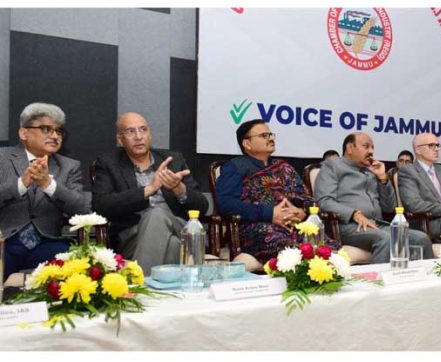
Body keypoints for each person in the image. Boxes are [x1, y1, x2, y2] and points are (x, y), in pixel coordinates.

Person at [92, 112, 208, 274]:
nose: (139, 137)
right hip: (134, 237)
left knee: (157, 215)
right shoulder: (109, 163)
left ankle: (139, 283)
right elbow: (101, 206)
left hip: (179, 228)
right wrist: (148, 190)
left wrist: (179, 189)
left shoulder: (173, 160)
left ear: (150, 134)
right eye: (130, 132)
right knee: (174, 246)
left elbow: (202, 206)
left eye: (143, 130)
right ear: (120, 139)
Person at [215, 119, 338, 265]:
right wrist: (270, 213)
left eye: (271, 135)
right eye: (264, 136)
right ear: (247, 143)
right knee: (294, 253)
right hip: (258, 227)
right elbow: (226, 204)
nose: (271, 138)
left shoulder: (284, 167)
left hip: (296, 225)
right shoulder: (235, 167)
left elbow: (307, 198)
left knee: (331, 251)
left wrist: (302, 211)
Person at [0, 102, 90, 281]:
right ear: (24, 133)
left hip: (47, 242)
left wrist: (49, 185)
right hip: (5, 240)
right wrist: (21, 184)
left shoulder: (69, 166)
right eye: (46, 129)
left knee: (68, 266)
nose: (55, 136)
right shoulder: (3, 158)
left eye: (58, 131)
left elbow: (83, 208)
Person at [314, 132, 434, 263]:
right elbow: (324, 201)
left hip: (376, 225)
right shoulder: (332, 166)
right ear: (350, 148)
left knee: (421, 238)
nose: (371, 151)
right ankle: (379, 281)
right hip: (349, 226)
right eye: (366, 146)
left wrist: (383, 178)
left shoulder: (371, 170)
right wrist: (354, 214)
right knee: (387, 239)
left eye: (372, 148)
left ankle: (425, 282)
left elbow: (389, 208)